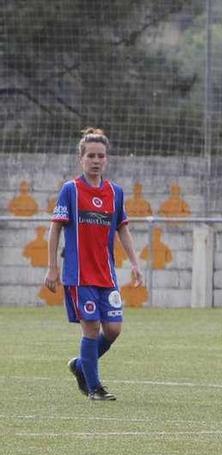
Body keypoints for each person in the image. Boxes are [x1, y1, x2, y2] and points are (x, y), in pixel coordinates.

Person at [44, 128, 143, 401]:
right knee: (91, 327)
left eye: (101, 155)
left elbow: (122, 229)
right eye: (91, 155)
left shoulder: (115, 193)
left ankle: (81, 366)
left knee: (113, 329)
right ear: (81, 159)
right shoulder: (71, 190)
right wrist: (52, 267)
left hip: (107, 275)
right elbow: (55, 229)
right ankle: (94, 387)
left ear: (107, 159)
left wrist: (135, 263)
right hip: (79, 274)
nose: (96, 160)